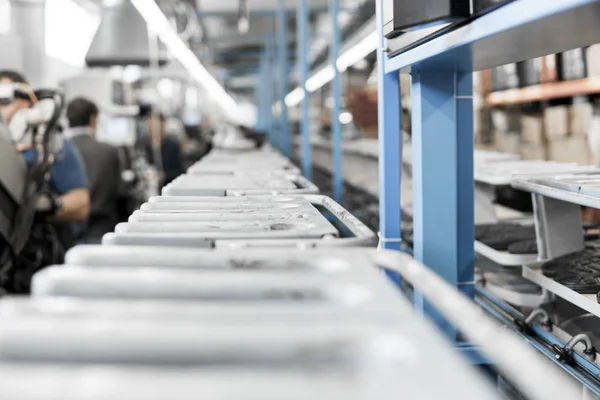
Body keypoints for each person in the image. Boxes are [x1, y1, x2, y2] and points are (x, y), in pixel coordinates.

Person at [0, 70, 90, 249]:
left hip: (39, 252)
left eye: (4, 102)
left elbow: (81, 205)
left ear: (26, 102)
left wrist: (42, 207)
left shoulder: (51, 146)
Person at [67, 97, 122, 243]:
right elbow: (120, 194)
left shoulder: (59, 152)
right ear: (93, 119)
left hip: (66, 236)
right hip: (101, 233)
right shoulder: (109, 152)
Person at [142, 111, 184, 186]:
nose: (153, 129)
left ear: (163, 125)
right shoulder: (142, 146)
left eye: (156, 126)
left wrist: (164, 176)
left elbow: (179, 171)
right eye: (150, 125)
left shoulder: (172, 146)